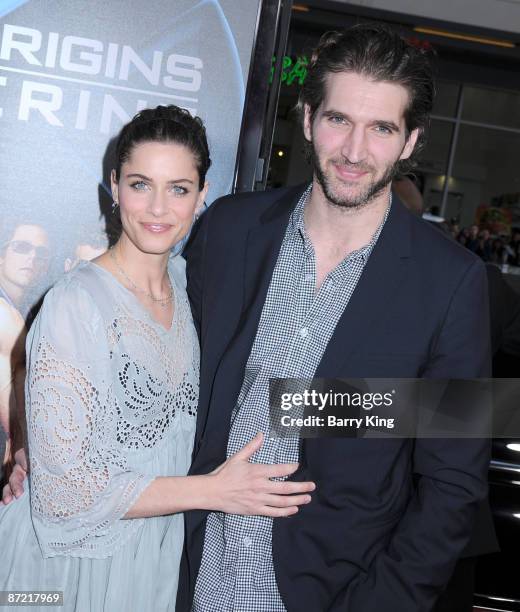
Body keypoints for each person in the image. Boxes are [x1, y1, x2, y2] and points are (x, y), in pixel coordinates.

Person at [176, 24, 493, 612]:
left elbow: (453, 485)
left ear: (410, 142)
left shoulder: (451, 283)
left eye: (381, 129)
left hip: (330, 591)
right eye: (339, 119)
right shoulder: (228, 230)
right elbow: (158, 374)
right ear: (306, 119)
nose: (353, 151)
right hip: (184, 570)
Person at [0, 105, 315, 612]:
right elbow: (64, 498)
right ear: (115, 185)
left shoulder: (192, 289)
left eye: (179, 188)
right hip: (65, 568)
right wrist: (212, 491)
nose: (157, 208)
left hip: (157, 556)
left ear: (202, 196)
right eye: (141, 184)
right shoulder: (76, 301)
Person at [0, 222, 49, 476]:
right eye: (22, 247)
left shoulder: (24, 314)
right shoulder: (4, 315)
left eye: (40, 253)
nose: (32, 257)